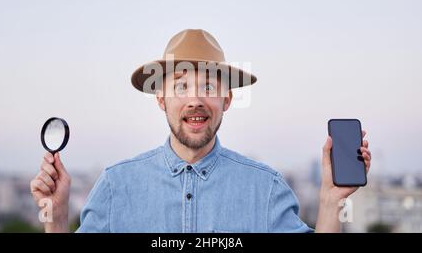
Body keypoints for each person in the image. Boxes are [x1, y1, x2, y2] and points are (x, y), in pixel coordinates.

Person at [30, 29, 371, 232]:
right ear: (161, 99)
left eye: (208, 86)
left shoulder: (266, 189)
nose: (195, 100)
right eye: (180, 87)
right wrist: (56, 217)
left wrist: (329, 201)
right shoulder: (115, 186)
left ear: (227, 99)